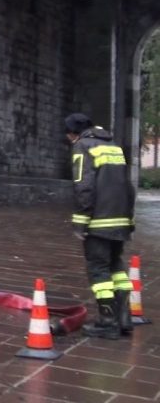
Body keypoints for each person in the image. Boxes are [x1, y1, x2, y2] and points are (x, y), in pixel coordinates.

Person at [65, 112, 136, 339]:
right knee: (116, 265)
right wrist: (129, 218)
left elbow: (83, 185)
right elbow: (128, 185)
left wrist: (80, 221)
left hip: (99, 219)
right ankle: (124, 318)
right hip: (120, 217)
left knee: (98, 269)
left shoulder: (82, 146)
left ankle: (107, 321)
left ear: (72, 133)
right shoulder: (113, 146)